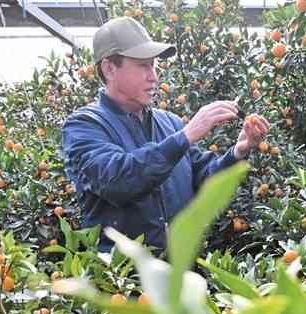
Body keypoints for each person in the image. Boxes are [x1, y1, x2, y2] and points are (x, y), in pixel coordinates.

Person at [62, 16, 269, 252]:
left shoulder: (169, 122)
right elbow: (118, 182)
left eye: (153, 65)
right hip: (122, 280)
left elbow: (203, 181)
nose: (154, 76)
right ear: (109, 68)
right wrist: (186, 135)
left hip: (179, 274)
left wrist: (238, 151)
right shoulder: (84, 126)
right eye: (143, 66)